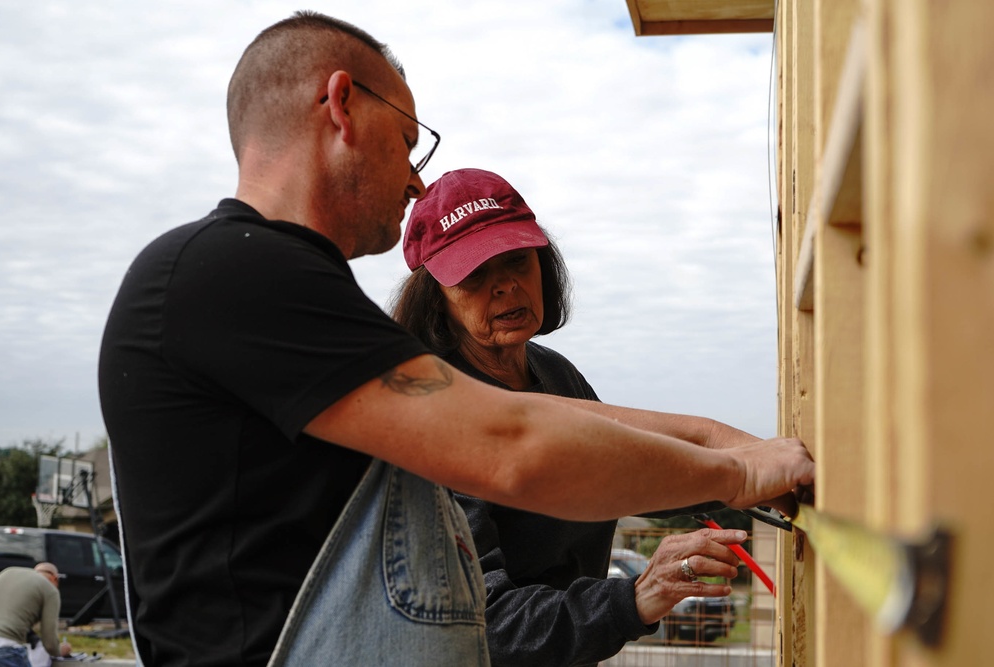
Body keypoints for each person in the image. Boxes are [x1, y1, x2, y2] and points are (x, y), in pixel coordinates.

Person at [97, 11, 814, 667]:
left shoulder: (281, 290)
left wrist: (727, 442)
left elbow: (555, 418)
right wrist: (737, 476)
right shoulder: (235, 272)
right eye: (408, 139)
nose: (414, 179)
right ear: (341, 104)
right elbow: (510, 443)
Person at [391, 167, 766, 665]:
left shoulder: (557, 374)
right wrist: (636, 597)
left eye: (517, 261)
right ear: (437, 297)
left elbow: (627, 467)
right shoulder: (431, 417)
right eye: (475, 275)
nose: (504, 287)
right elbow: (485, 622)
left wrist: (759, 481)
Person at [0, 564, 71, 667]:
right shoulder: (50, 590)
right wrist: (60, 651)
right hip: (5, 649)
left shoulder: (8, 572)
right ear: (55, 578)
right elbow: (49, 643)